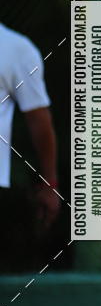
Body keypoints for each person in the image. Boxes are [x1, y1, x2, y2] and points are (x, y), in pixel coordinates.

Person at [0, 22, 60, 233]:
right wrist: (50, 184)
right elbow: (39, 120)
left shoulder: (15, 48)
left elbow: (39, 121)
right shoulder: (15, 47)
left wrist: (49, 184)